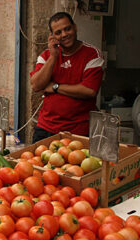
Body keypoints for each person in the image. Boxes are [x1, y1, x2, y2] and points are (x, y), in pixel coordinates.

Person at [30, 12, 104, 143]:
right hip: (45, 127)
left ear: (75, 27)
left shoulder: (92, 54)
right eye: (58, 32)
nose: (64, 34)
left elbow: (89, 91)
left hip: (78, 131)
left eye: (67, 28)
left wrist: (55, 87)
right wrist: (53, 57)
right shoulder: (46, 55)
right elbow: (36, 85)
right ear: (52, 36)